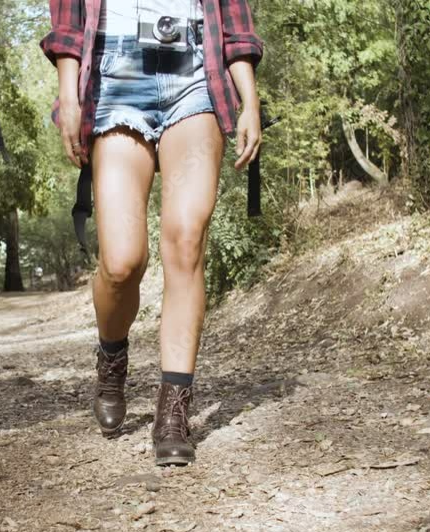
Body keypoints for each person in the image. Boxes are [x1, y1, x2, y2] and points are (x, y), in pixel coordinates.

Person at [41, 0, 262, 466]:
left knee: (186, 240)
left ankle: (174, 410)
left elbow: (236, 22)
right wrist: (68, 94)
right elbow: (67, 21)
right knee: (122, 262)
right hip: (115, 76)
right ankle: (112, 357)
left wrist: (250, 100)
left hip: (196, 74)